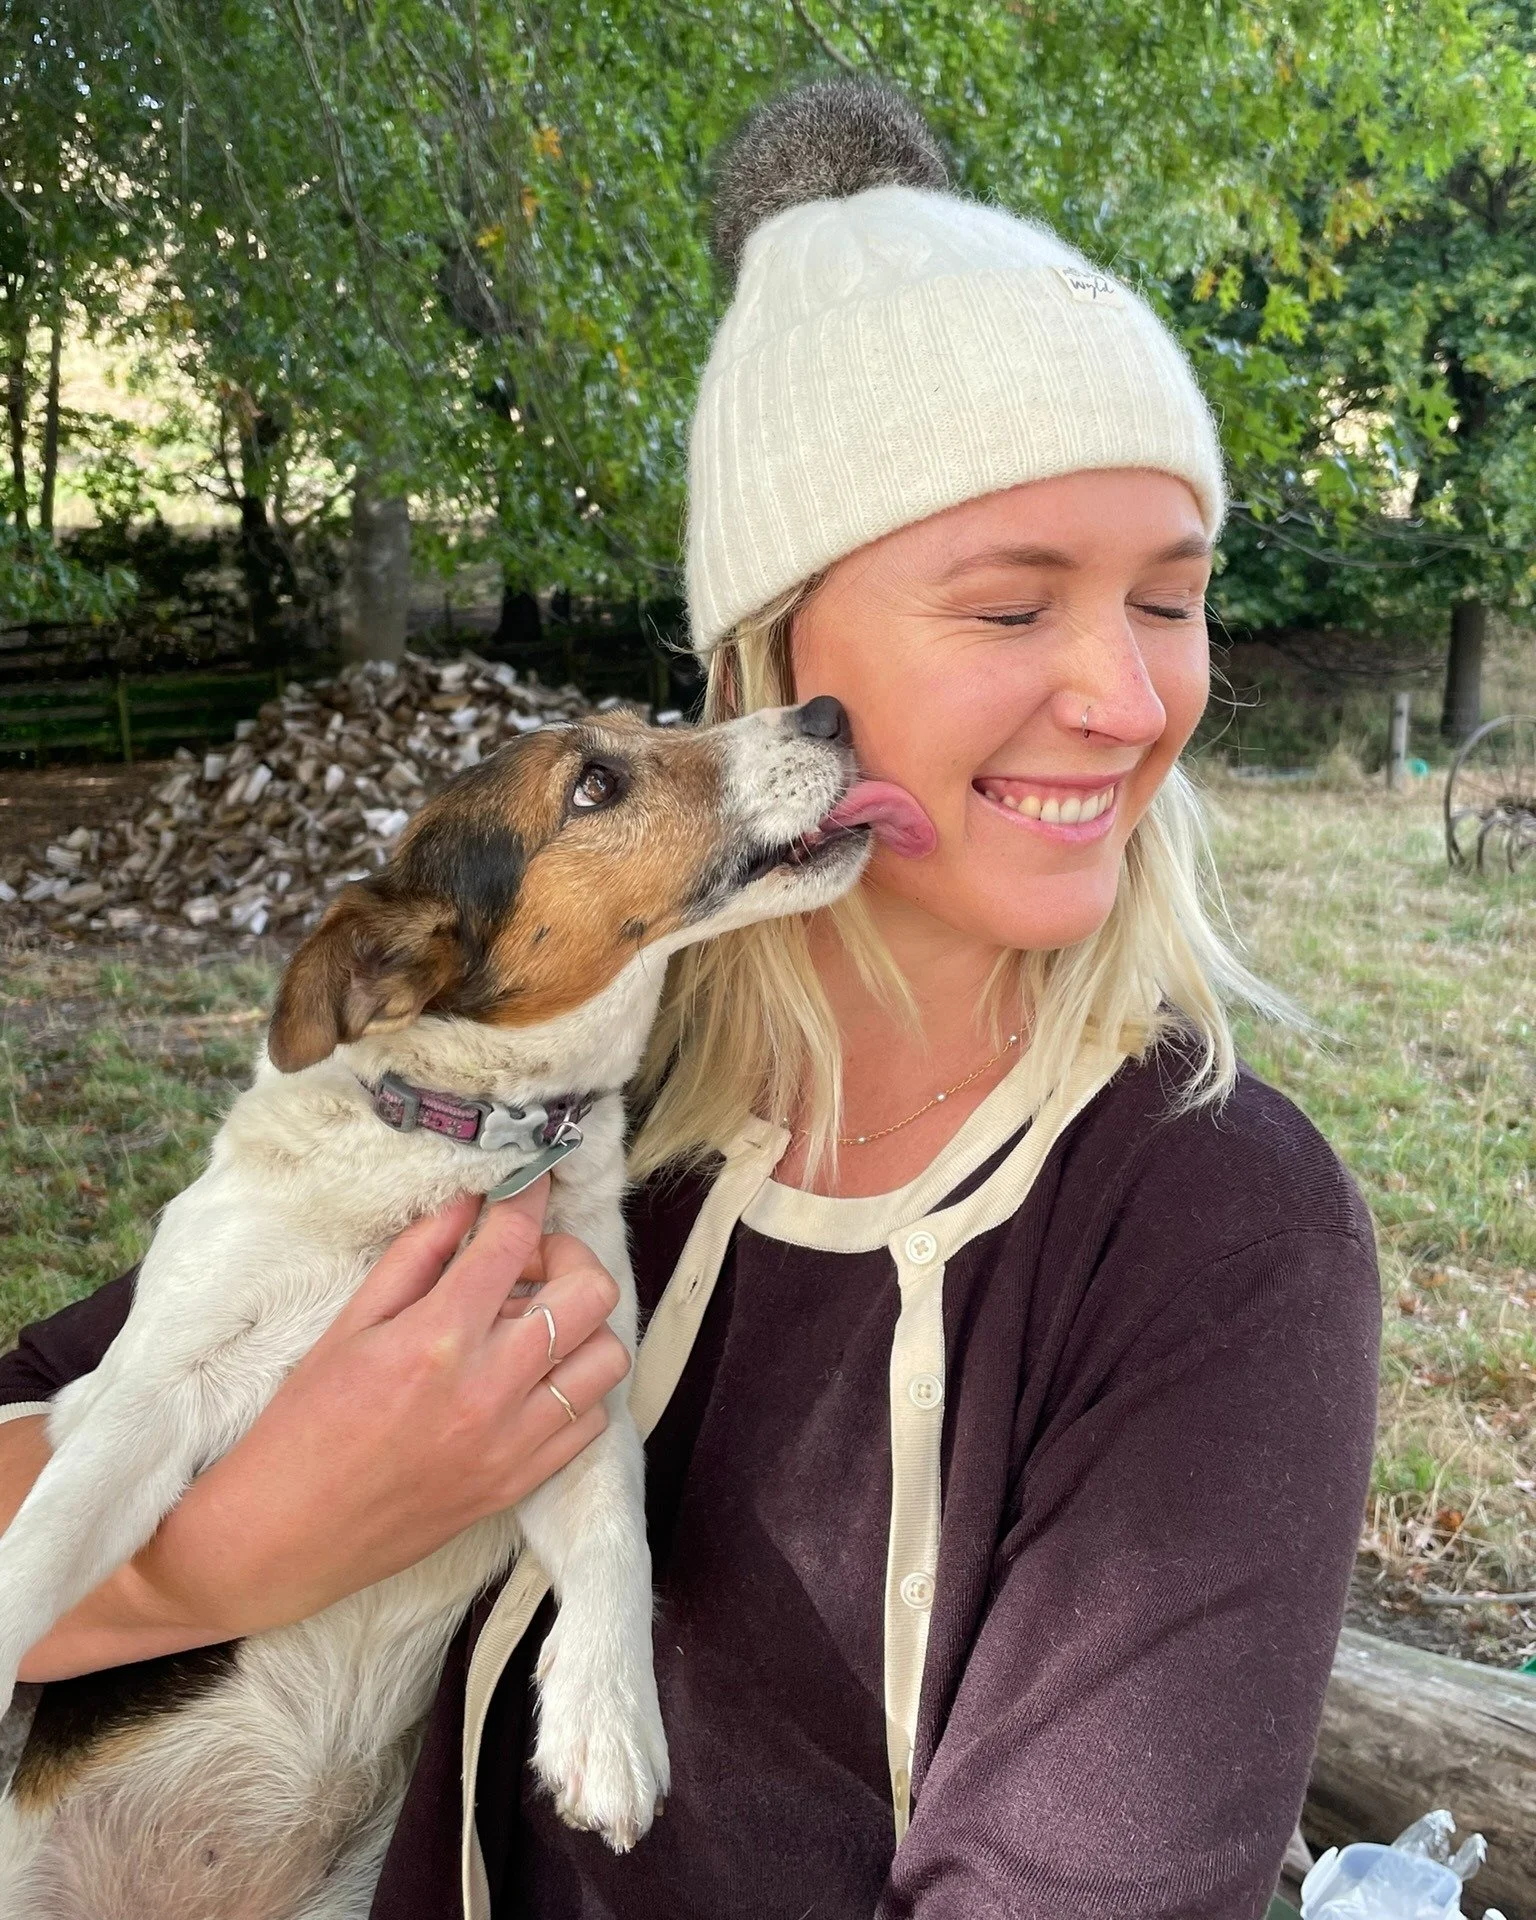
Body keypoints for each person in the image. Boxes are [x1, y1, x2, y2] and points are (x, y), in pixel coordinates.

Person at [0, 79, 1379, 1920]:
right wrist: (225, 1553)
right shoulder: (555, 1103)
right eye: (1008, 605)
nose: (1130, 706)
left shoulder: (1207, 1232)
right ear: (774, 658)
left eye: (1171, 597)